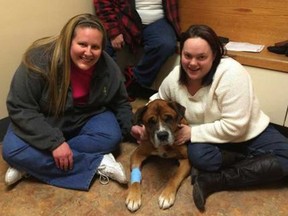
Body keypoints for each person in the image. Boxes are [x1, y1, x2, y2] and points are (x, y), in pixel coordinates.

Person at [131, 24, 288, 211]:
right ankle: (246, 163)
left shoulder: (231, 74)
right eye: (187, 56)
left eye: (201, 57)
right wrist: (143, 126)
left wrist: (193, 132)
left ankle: (215, 180)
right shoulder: (175, 77)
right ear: (181, 53)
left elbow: (236, 126)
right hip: (210, 136)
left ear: (214, 55)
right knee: (199, 157)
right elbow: (158, 99)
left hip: (247, 132)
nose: (193, 63)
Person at [2, 13, 134, 190]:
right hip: (47, 119)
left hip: (88, 116)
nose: (88, 52)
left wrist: (131, 126)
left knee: (112, 137)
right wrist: (53, 142)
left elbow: (120, 101)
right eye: (82, 44)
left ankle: (32, 165)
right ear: (68, 41)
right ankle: (97, 163)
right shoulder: (38, 59)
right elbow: (20, 108)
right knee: (12, 150)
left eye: (95, 47)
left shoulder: (108, 66)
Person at [93, 0, 181, 101]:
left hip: (158, 22)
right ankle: (100, 93)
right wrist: (114, 32)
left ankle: (134, 82)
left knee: (166, 44)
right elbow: (103, 4)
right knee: (101, 46)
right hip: (126, 19)